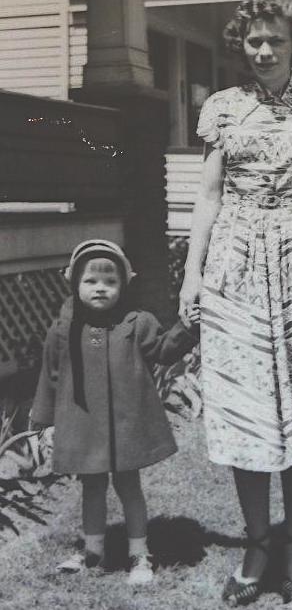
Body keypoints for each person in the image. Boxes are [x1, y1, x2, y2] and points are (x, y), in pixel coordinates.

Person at [179, 0, 292, 607]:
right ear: (243, 46)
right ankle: (257, 542)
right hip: (234, 263)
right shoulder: (224, 108)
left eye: (275, 42)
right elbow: (207, 197)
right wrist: (192, 275)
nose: (263, 51)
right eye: (254, 42)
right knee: (246, 404)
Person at [31, 239, 199, 584]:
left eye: (110, 282)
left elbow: (164, 350)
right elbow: (50, 377)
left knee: (129, 486)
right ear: (75, 283)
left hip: (125, 426)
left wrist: (187, 328)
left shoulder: (136, 323)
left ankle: (140, 554)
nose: (100, 289)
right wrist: (43, 423)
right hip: (84, 425)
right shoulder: (64, 328)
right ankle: (94, 552)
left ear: (123, 285)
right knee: (91, 488)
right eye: (90, 281)